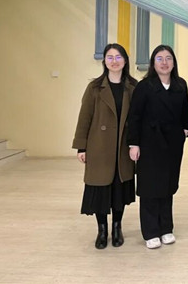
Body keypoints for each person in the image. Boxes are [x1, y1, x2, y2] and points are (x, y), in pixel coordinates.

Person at [72, 43, 138, 249]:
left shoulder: (133, 87)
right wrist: (81, 147)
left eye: (118, 57)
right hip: (99, 146)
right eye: (110, 57)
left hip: (123, 147)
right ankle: (102, 230)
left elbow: (138, 118)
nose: (114, 61)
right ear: (104, 61)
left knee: (119, 190)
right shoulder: (94, 87)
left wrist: (137, 143)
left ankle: (117, 227)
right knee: (99, 189)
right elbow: (84, 118)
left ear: (125, 61)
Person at [127, 45, 188, 249]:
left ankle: (166, 228)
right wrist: (134, 144)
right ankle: (150, 231)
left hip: (173, 143)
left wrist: (186, 129)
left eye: (168, 58)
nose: (164, 63)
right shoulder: (144, 86)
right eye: (159, 59)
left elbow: (186, 109)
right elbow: (134, 116)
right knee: (150, 187)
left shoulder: (180, 84)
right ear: (153, 63)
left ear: (174, 62)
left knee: (167, 186)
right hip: (149, 143)